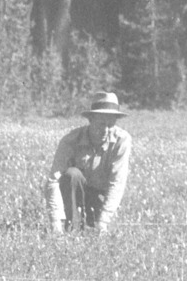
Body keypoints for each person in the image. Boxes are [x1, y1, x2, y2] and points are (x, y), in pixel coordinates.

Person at [44, 90, 132, 234]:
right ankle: (72, 227)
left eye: (111, 124)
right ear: (90, 120)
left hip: (102, 199)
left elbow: (117, 183)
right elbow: (53, 180)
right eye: (100, 124)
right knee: (71, 174)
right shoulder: (70, 140)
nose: (106, 130)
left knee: (102, 228)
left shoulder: (122, 141)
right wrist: (55, 222)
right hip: (76, 198)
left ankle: (94, 224)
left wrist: (104, 221)